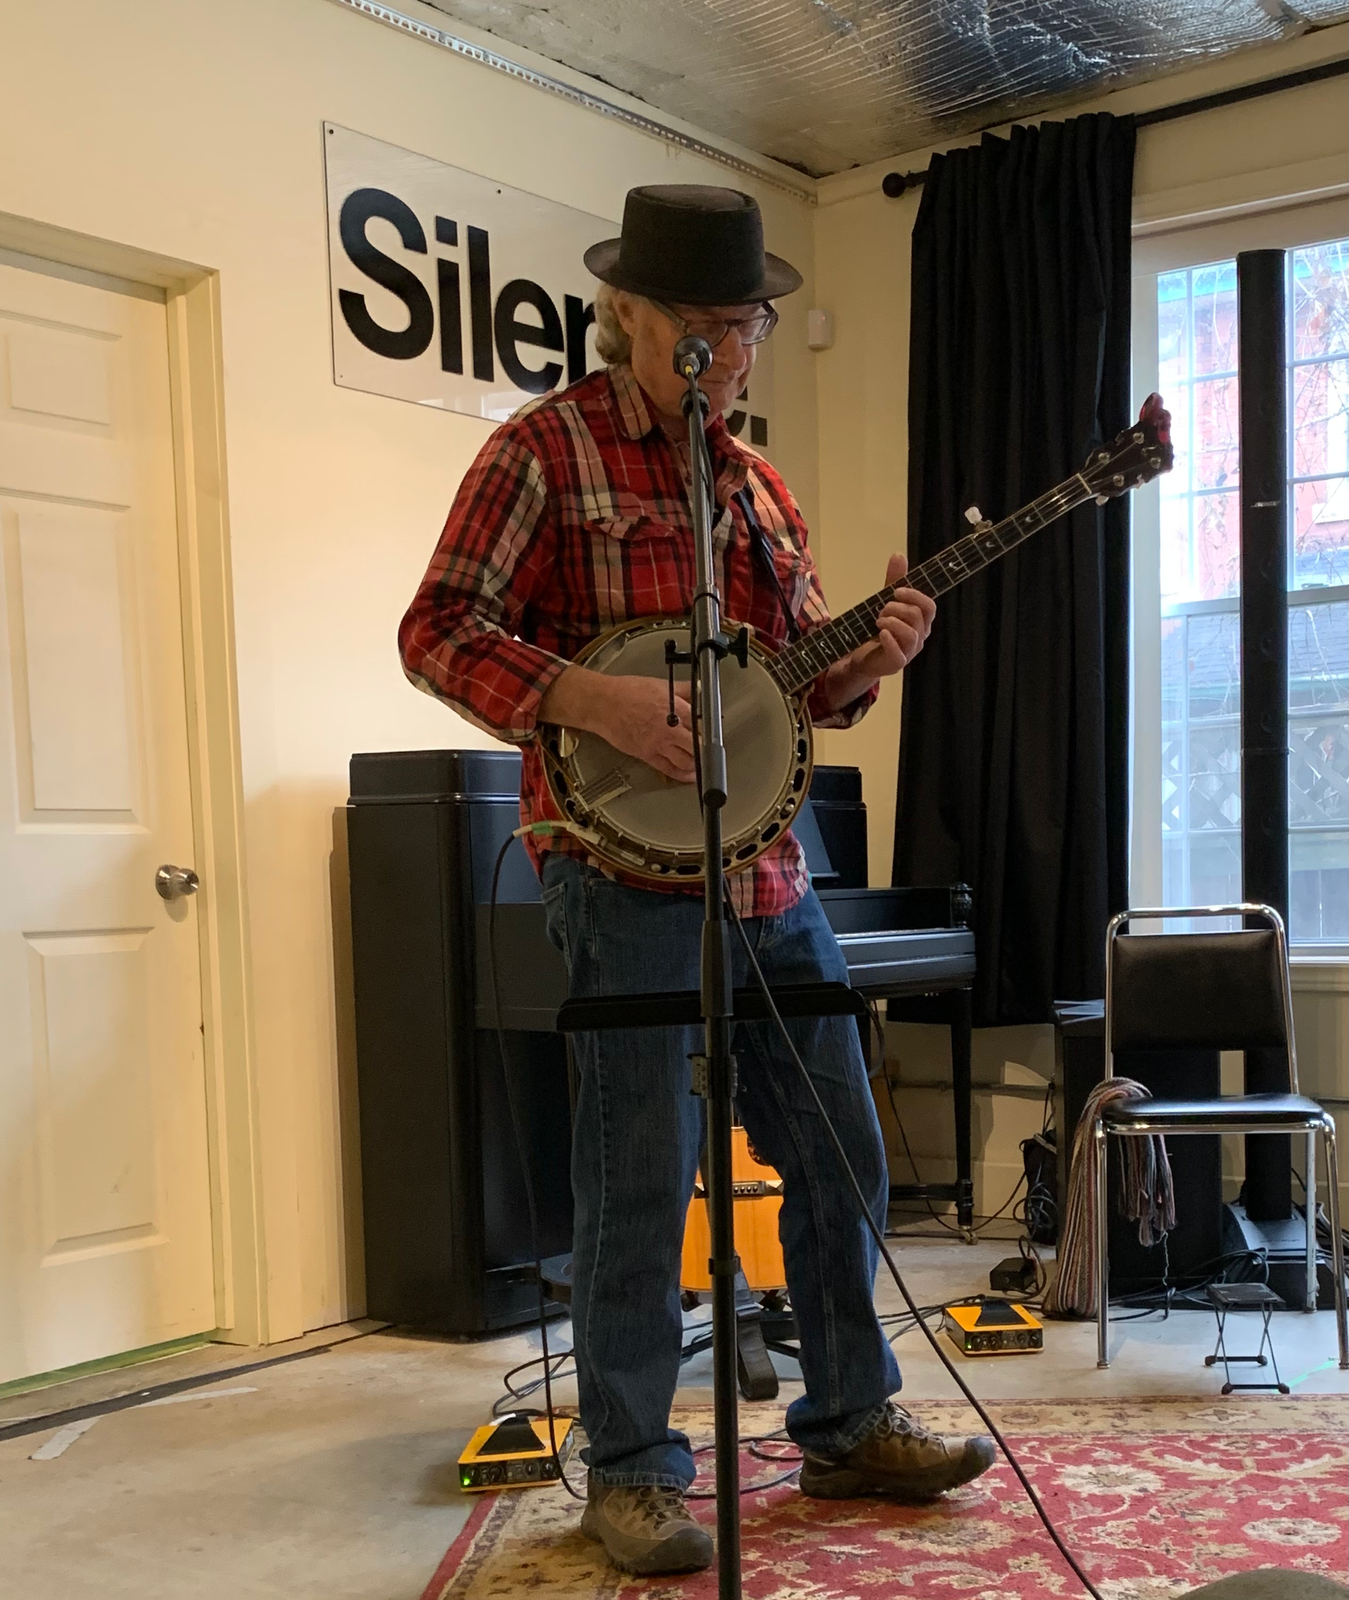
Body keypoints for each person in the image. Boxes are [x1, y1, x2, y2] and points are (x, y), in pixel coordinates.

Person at [400, 184, 994, 1577]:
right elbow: (436, 631)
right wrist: (590, 700)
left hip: (770, 869)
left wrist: (873, 657)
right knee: (639, 1176)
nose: (735, 350)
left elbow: (791, 692)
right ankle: (631, 1471)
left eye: (752, 325)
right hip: (616, 869)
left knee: (842, 1148)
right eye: (711, 325)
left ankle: (849, 1420)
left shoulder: (759, 486)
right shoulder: (542, 452)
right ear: (634, 316)